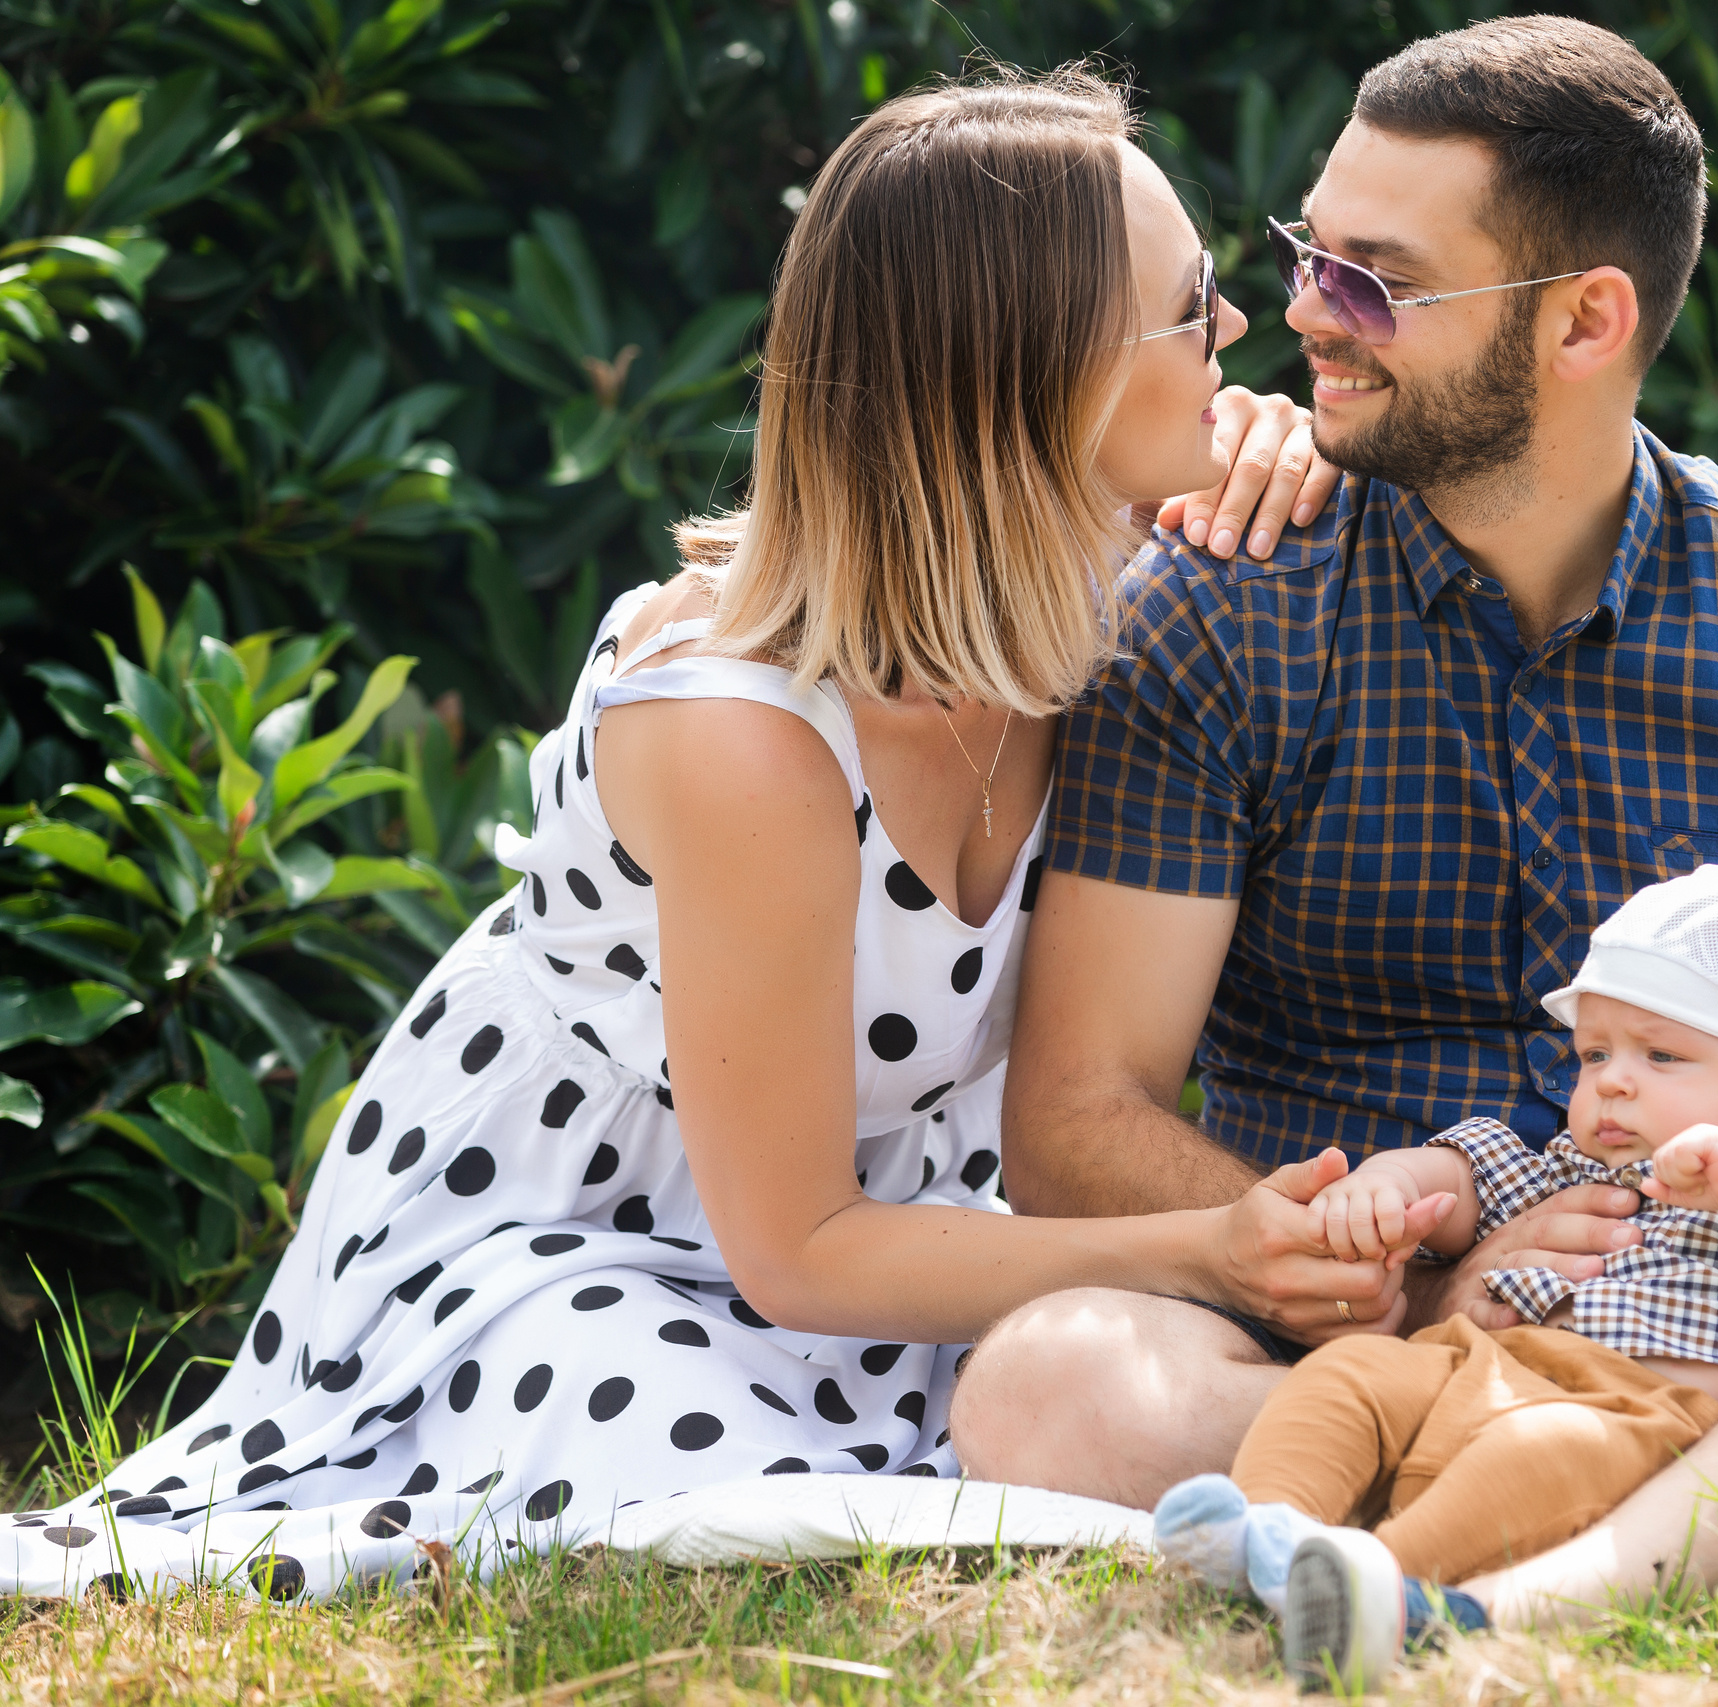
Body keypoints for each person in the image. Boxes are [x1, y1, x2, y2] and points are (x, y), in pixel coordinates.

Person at [0, 66, 1360, 1604]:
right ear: (1042, 387)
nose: (1235, 327)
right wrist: (1205, 1244)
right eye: (1188, 309)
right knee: (747, 1492)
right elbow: (797, 1249)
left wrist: (1280, 450)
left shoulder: (1101, 590)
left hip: (900, 1238)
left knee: (1061, 1415)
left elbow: (1245, 460)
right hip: (577, 1247)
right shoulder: (740, 726)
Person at [950, 16, 1718, 1628]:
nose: (1303, 314)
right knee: (1047, 1380)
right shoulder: (1222, 607)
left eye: (1375, 281)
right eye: (1310, 254)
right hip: (1349, 1333)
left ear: (1587, 320)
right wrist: (1414, 1268)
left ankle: (1535, 1592)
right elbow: (1074, 1124)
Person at [1150, 860, 1718, 1684]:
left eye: (1662, 1053)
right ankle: (1270, 1527)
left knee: (1537, 1454)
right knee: (1347, 1374)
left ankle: (1383, 1583)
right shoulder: (1585, 1167)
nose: (1611, 1079)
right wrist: (1391, 1183)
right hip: (1478, 1363)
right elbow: (1473, 1176)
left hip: (1635, 1417)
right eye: (1594, 1052)